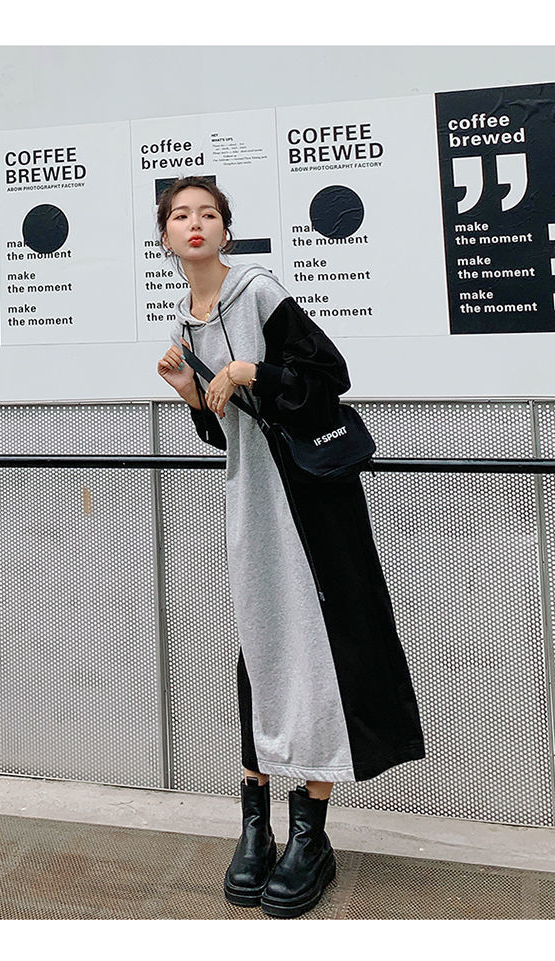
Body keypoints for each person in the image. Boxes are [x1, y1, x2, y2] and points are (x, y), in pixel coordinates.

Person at [156, 176, 425, 918]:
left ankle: (311, 834)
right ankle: (256, 825)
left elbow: (328, 376)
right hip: (253, 499)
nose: (195, 223)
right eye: (180, 215)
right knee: (263, 643)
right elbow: (228, 431)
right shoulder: (186, 324)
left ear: (226, 229)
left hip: (311, 502)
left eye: (208, 213)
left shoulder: (259, 293)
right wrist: (192, 390)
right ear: (166, 237)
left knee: (319, 649)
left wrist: (253, 369)